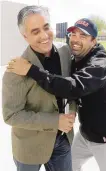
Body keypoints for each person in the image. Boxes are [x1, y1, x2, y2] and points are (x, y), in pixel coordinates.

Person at [7, 18, 106, 171]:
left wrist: (31, 70)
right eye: (73, 34)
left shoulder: (99, 66)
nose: (76, 39)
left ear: (94, 41)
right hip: (85, 134)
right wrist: (71, 111)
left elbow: (72, 87)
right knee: (72, 164)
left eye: (83, 36)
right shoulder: (75, 59)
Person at [2, 5, 76, 171]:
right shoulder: (14, 71)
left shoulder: (65, 53)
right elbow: (11, 115)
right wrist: (56, 121)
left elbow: (72, 85)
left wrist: (73, 109)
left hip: (63, 140)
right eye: (35, 32)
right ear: (25, 36)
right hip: (29, 148)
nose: (44, 36)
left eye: (46, 27)